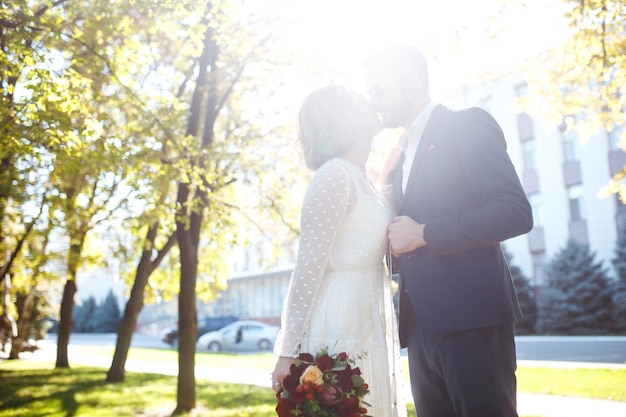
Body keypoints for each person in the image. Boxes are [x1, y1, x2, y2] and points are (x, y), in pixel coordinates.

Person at [365, 45, 533, 417]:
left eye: (379, 89)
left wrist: (425, 233)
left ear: (411, 83)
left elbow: (514, 212)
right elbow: (405, 242)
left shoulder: (466, 124)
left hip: (472, 319)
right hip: (421, 327)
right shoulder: (400, 157)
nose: (373, 100)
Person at [271, 85, 406, 417]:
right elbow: (308, 267)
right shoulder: (334, 175)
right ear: (346, 117)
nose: (372, 100)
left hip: (366, 315)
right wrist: (288, 351)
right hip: (337, 319)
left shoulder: (362, 179)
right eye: (361, 100)